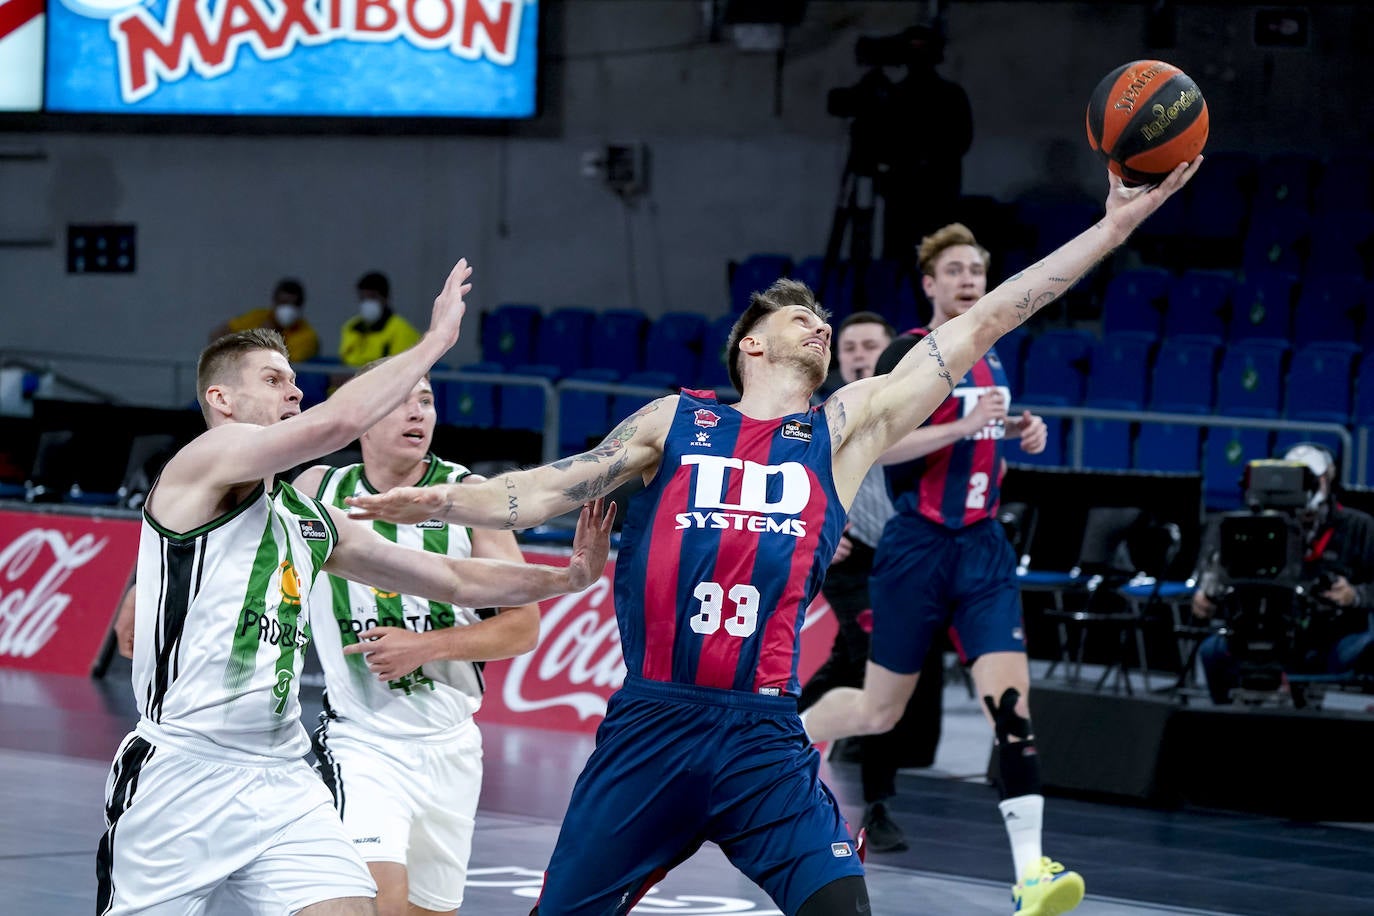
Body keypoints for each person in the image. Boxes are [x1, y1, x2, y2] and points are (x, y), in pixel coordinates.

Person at [345, 162, 1200, 916]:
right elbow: (535, 492)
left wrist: (1113, 226)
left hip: (762, 734)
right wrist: (428, 503)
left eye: (826, 321)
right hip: (653, 724)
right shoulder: (675, 422)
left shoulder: (841, 431)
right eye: (803, 318)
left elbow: (986, 322)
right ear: (750, 344)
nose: (821, 326)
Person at [97, 258, 615, 916]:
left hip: (282, 772)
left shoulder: (312, 516)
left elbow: (454, 577)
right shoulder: (202, 462)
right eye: (273, 379)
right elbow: (334, 427)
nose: (294, 394)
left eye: (295, 382)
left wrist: (568, 578)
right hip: (183, 769)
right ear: (221, 401)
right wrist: (435, 343)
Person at [801, 220, 1084, 916]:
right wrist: (962, 425)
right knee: (876, 710)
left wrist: (1019, 431)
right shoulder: (909, 354)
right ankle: (778, 736)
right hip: (916, 550)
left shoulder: (995, 356)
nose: (968, 281)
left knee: (1011, 711)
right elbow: (882, 446)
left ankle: (1033, 874)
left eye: (976, 271)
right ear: (930, 284)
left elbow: (985, 458)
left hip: (983, 550)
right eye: (954, 271)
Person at [293, 360, 542, 916]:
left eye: (426, 400)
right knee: (378, 903)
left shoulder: (468, 494)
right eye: (401, 399)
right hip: (361, 743)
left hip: (452, 747)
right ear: (361, 416)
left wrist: (427, 646)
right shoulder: (317, 489)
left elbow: (524, 626)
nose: (417, 411)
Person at [796, 311, 945, 855]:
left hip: (903, 555)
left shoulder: (920, 404)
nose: (859, 355)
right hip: (847, 552)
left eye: (870, 346)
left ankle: (769, 734)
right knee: (876, 661)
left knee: (849, 660)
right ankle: (877, 807)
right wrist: (814, 528)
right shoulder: (824, 410)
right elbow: (792, 470)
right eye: (850, 347)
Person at [1192, 442, 1374, 704]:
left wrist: (1354, 595)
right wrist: (1207, 597)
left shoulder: (1361, 527)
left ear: (1328, 479)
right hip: (1266, 629)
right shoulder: (1254, 526)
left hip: (1335, 633)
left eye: (1311, 479)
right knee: (1213, 652)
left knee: (1356, 652)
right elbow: (1220, 578)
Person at [213, 277, 320, 362]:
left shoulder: (308, 337)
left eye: (293, 305)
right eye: (283, 303)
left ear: (300, 307)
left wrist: (264, 339)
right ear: (274, 302)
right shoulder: (258, 317)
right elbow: (217, 335)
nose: (287, 309)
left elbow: (280, 366)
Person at [339, 271, 423, 367]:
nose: (367, 303)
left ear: (385, 298)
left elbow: (401, 369)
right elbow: (344, 362)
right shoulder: (351, 327)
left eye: (372, 297)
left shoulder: (402, 330)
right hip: (352, 379)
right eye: (363, 298)